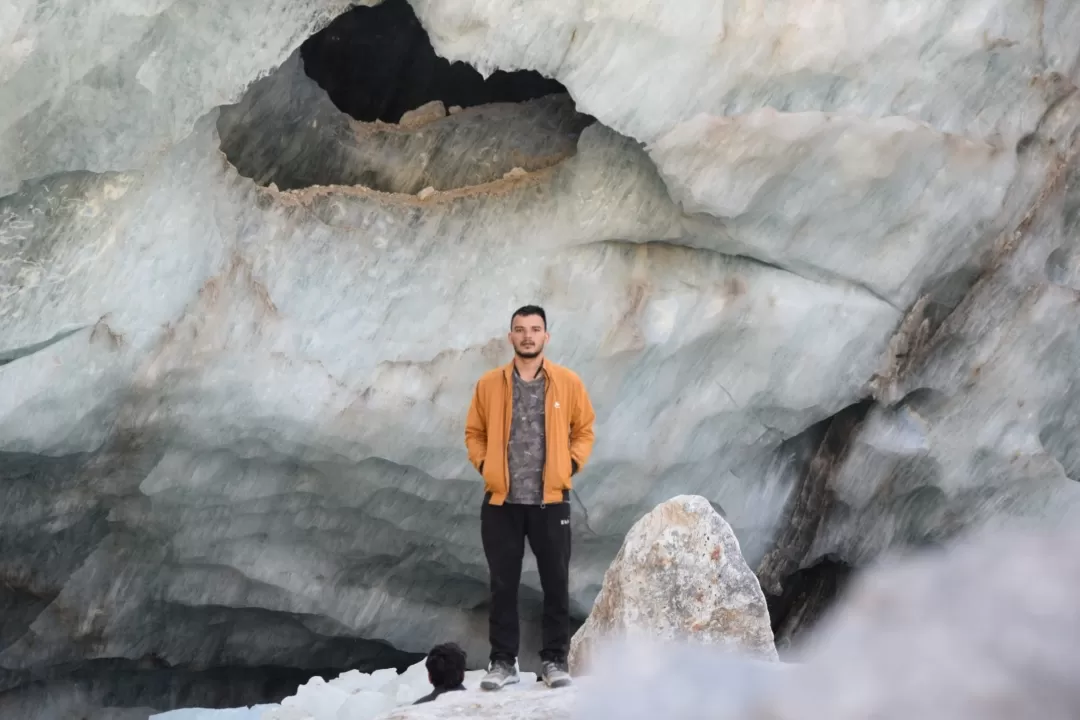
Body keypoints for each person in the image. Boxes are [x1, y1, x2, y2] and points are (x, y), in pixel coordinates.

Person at [464, 304, 596, 690]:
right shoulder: (490, 384)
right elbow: (474, 432)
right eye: (520, 329)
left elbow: (584, 428)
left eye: (534, 329)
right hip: (502, 503)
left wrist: (569, 465)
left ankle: (555, 660)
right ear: (510, 337)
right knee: (502, 584)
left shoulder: (567, 383)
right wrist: (485, 464)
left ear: (546, 337)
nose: (527, 336)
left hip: (550, 501)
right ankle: (503, 663)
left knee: (555, 582)